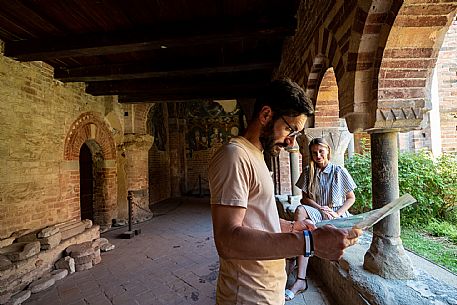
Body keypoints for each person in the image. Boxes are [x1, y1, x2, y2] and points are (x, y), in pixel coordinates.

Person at [208, 79, 362, 305]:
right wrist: (310, 242)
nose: (291, 142)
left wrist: (292, 226)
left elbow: (255, 219)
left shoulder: (256, 155)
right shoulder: (235, 156)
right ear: (266, 115)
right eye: (290, 129)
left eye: (297, 135)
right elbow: (228, 240)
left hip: (267, 288)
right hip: (247, 295)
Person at [285, 137, 357, 301]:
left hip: (337, 214)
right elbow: (304, 199)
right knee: (301, 212)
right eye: (314, 153)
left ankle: (293, 259)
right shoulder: (308, 171)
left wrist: (336, 213)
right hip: (317, 211)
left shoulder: (339, 171)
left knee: (315, 233)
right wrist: (320, 208)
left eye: (321, 151)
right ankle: (301, 279)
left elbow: (351, 198)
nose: (318, 155)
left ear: (328, 151)